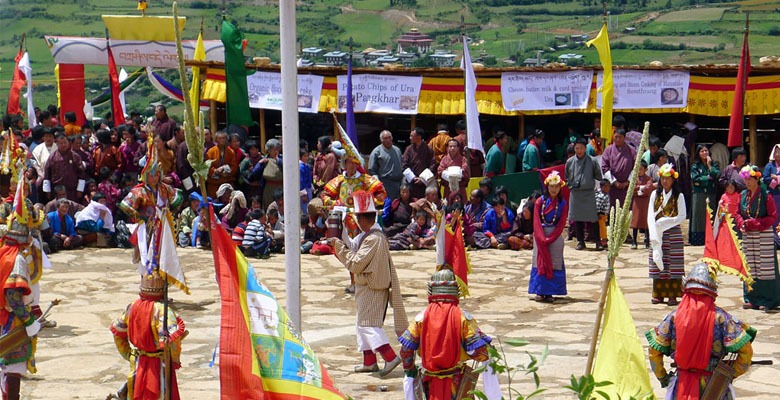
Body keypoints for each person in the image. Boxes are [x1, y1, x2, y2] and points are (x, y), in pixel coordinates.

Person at [646, 263, 756, 400]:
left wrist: (663, 378)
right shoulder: (722, 318)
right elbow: (746, 352)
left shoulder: (673, 317)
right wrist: (729, 374)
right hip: (715, 386)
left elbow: (653, 352)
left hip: (681, 386)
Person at [329, 191, 407, 377]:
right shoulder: (368, 236)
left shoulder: (374, 239)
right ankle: (369, 361)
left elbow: (355, 263)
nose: (356, 220)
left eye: (357, 217)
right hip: (367, 288)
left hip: (373, 288)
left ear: (364, 218)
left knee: (368, 325)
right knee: (361, 324)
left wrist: (338, 247)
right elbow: (351, 246)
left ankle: (390, 357)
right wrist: (339, 234)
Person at [398, 267, 492, 400]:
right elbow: (479, 351)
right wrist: (489, 353)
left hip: (428, 382)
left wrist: (410, 369)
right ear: (455, 291)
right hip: (457, 382)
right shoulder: (463, 318)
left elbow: (406, 350)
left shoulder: (420, 318)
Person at [0, 144, 48, 400]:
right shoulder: (16, 259)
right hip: (10, 321)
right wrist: (28, 321)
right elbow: (13, 297)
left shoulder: (2, 252)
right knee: (13, 372)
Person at [109, 272, 186, 400]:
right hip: (160, 363)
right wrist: (175, 360)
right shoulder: (163, 310)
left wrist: (128, 354)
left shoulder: (132, 307)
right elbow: (173, 341)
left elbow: (117, 331)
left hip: (139, 362)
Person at [736, 165, 780, 311]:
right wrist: (742, 223)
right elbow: (737, 213)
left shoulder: (766, 195)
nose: (747, 182)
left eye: (750, 179)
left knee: (765, 267)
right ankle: (751, 298)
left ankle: (768, 300)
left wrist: (755, 223)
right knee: (750, 266)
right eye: (746, 179)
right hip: (748, 235)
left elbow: (773, 216)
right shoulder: (743, 195)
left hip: (763, 234)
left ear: (757, 179)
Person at [647, 164, 687, 306]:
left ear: (673, 180)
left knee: (673, 263)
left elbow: (682, 216)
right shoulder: (655, 195)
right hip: (658, 232)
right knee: (658, 260)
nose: (665, 181)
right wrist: (654, 229)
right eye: (662, 178)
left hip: (673, 232)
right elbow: (650, 214)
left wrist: (666, 222)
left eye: (667, 178)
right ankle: (658, 294)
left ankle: (672, 295)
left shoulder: (679, 196)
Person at [529, 171, 568, 303]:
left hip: (555, 236)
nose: (554, 189)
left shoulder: (563, 204)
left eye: (557, 186)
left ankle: (551, 292)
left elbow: (562, 222)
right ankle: (540, 290)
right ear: (547, 186)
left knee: (554, 262)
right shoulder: (540, 201)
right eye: (552, 186)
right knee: (539, 261)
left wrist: (551, 238)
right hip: (540, 234)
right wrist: (541, 238)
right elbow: (536, 220)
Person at [565, 137, 602, 251]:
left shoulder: (592, 160)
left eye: (581, 148)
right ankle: (580, 242)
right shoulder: (570, 162)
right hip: (575, 193)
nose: (579, 150)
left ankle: (598, 242)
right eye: (577, 148)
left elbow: (598, 175)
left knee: (593, 218)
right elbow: (567, 176)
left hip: (588, 192)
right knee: (577, 219)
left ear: (585, 148)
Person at [689, 144, 721, 246]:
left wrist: (709, 166)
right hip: (699, 194)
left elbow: (716, 175)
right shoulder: (695, 166)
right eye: (702, 151)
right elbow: (695, 179)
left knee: (710, 214)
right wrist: (707, 178)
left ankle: (711, 239)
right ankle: (698, 240)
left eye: (706, 151)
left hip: (711, 193)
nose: (704, 153)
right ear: (698, 153)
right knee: (699, 216)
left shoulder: (713, 164)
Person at [43, 132, 85, 202]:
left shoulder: (75, 156)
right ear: (57, 144)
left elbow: (81, 174)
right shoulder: (52, 157)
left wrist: (80, 190)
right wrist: (48, 191)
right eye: (61, 143)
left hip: (72, 191)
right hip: (57, 191)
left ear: (68, 143)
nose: (63, 145)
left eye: (65, 142)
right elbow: (47, 174)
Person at [601, 128, 637, 209]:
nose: (617, 139)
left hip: (627, 187)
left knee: (626, 210)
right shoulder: (608, 150)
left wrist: (627, 182)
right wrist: (614, 182)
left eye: (619, 137)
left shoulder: (631, 151)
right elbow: (604, 167)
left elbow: (636, 168)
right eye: (615, 137)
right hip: (612, 187)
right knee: (612, 210)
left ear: (624, 138)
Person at [368, 130, 404, 200]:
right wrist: (379, 185)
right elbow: (372, 170)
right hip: (385, 184)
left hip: (398, 184)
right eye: (385, 138)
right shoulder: (377, 152)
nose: (388, 140)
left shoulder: (397, 150)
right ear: (381, 140)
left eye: (389, 137)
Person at [402, 127, 436, 200]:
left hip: (424, 182)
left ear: (419, 137)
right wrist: (413, 178)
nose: (410, 138)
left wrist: (422, 179)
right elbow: (404, 164)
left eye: (412, 136)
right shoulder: (409, 149)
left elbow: (433, 165)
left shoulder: (428, 149)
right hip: (411, 182)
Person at [205, 130, 238, 199]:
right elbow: (207, 166)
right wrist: (216, 171)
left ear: (226, 139)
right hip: (213, 184)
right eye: (220, 138)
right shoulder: (211, 151)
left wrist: (225, 170)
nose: (222, 140)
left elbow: (234, 166)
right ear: (216, 139)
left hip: (227, 183)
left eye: (224, 138)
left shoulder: (231, 152)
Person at [253, 138, 283, 210]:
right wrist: (260, 164)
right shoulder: (265, 160)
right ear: (269, 150)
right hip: (268, 187)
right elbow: (254, 172)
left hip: (280, 187)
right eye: (273, 149)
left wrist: (278, 160)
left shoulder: (282, 159)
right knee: (269, 207)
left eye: (277, 149)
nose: (276, 151)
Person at [436, 139, 469, 203]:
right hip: (448, 188)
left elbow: (465, 171)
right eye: (450, 146)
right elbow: (440, 170)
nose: (452, 148)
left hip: (459, 187)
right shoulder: (444, 159)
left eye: (454, 146)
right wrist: (449, 175)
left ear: (458, 148)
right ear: (447, 148)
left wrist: (455, 173)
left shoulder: (463, 159)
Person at [630, 161, 653, 249]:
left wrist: (640, 189)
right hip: (637, 202)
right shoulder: (635, 179)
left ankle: (647, 242)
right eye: (637, 169)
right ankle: (634, 241)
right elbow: (633, 188)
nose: (639, 171)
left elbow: (649, 188)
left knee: (646, 222)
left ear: (646, 169)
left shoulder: (649, 178)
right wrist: (641, 188)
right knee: (635, 221)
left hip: (645, 202)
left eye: (641, 169)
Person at [762, 143, 780, 246]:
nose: (778, 154)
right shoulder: (769, 165)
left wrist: (776, 178)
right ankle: (776, 241)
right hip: (773, 195)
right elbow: (765, 178)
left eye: (779, 152)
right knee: (774, 216)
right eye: (776, 152)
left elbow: (772, 177)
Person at [299, 149, 313, 215]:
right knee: (305, 208)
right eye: (305, 156)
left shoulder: (305, 165)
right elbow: (301, 181)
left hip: (308, 188)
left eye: (307, 156)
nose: (307, 158)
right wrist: (303, 193)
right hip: (305, 190)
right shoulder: (301, 167)